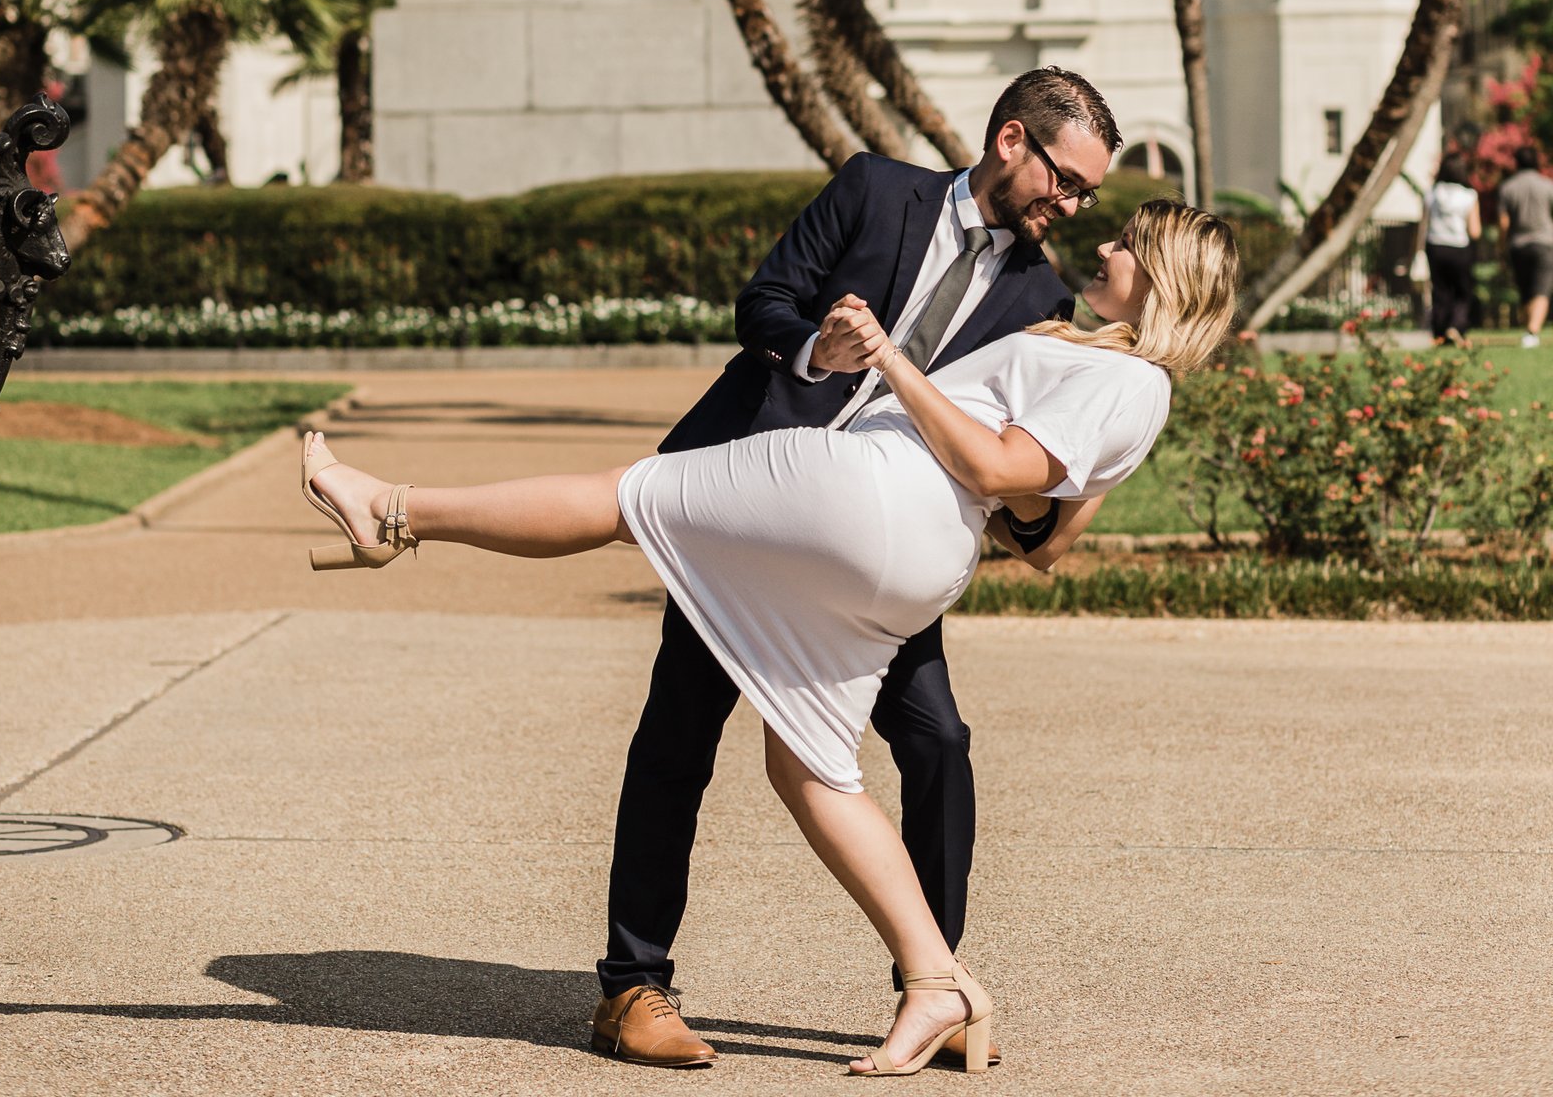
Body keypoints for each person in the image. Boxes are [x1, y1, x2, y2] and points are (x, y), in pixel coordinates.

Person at [302, 194, 1239, 1078]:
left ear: (1161, 279)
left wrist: (890, 359)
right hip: (909, 558)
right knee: (809, 771)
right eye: (1086, 201)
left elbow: (1004, 469)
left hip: (860, 495)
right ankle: (935, 984)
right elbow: (1037, 516)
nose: (1099, 240)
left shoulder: (1125, 381)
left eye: (1125, 242)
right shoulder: (1103, 362)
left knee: (626, 497)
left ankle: (389, 510)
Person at [594, 66, 1119, 1067]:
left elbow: (1009, 459)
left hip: (879, 541)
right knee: (678, 735)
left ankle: (934, 985)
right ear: (1011, 140)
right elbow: (764, 301)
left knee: (938, 743)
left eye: (1087, 193)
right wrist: (817, 352)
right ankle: (633, 989)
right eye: (1065, 178)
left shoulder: (1041, 296)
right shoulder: (876, 190)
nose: (1073, 203)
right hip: (746, 505)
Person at [1495, 143, 1553, 349]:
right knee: (1542, 289)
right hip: (1545, 243)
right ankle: (1532, 331)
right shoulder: (1547, 185)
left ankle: (1530, 330)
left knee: (1526, 289)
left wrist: (1501, 247)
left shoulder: (1508, 187)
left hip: (1518, 244)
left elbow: (1504, 223)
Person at [1423, 150, 1481, 344]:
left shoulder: (1432, 193)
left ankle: (1439, 333)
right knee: (1462, 292)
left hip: (1435, 246)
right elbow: (1475, 231)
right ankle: (1456, 326)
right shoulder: (1468, 195)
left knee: (1440, 291)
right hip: (1459, 247)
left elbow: (1423, 225)